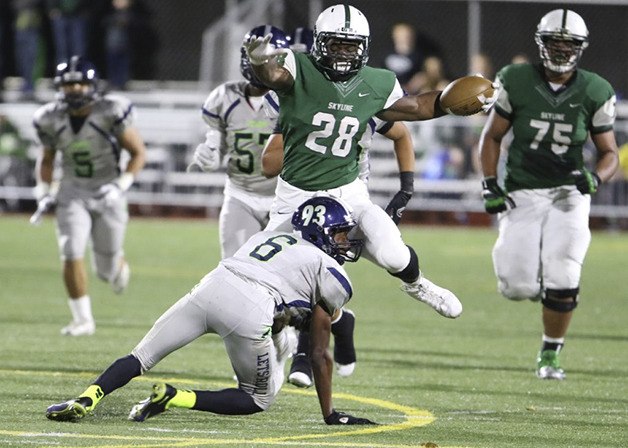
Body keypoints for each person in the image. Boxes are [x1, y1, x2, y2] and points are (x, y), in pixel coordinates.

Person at [244, 4, 496, 320]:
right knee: (262, 275)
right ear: (321, 42)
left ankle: (417, 284)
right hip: (296, 197)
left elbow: (416, 106)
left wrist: (450, 101)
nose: (344, 54)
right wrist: (259, 61)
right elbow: (273, 74)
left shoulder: (377, 82)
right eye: (337, 44)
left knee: (392, 253)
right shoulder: (298, 67)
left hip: (349, 195)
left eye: (352, 46)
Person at [45, 195, 375, 426]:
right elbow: (318, 352)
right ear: (321, 233)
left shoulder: (266, 237)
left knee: (141, 356)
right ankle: (175, 396)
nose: (345, 242)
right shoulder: (331, 272)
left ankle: (87, 397)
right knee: (256, 400)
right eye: (340, 234)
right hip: (251, 306)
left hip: (212, 285)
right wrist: (330, 413)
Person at [478, 9, 619, 380]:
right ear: (540, 43)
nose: (560, 49)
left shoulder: (595, 89)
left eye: (568, 43)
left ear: (580, 48)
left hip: (568, 192)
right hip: (523, 189)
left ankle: (550, 352)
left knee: (564, 273)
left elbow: (609, 153)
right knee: (516, 286)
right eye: (554, 42)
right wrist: (490, 185)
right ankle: (544, 280)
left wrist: (596, 179)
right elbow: (492, 136)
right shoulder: (516, 79)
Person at [262, 117, 416, 388]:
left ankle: (301, 355)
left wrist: (406, 189)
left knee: (317, 272)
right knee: (271, 275)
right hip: (296, 195)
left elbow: (402, 130)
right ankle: (336, 326)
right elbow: (269, 165)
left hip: (349, 199)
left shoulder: (367, 98)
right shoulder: (291, 93)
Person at [33, 55, 146, 336]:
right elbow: (47, 159)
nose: (74, 90)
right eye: (68, 85)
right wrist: (44, 191)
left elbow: (138, 153)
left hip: (108, 189)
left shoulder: (110, 111)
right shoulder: (50, 118)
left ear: (92, 85)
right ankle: (83, 319)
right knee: (70, 250)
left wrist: (121, 185)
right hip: (72, 190)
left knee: (106, 270)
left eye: (80, 84)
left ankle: (117, 264)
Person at [191, 24, 289, 260]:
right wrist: (210, 155)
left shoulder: (292, 98)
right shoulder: (225, 96)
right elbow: (216, 143)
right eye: (255, 55)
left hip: (286, 200)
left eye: (268, 56)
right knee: (233, 269)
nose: (261, 62)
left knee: (289, 276)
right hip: (241, 196)